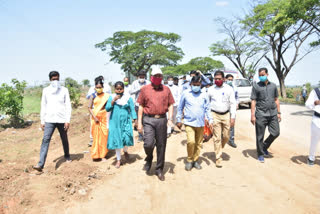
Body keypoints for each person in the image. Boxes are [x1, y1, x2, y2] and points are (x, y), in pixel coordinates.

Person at [137, 67, 175, 181]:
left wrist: (170, 119)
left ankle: (159, 169)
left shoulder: (166, 89)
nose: (158, 78)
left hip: (162, 120)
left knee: (161, 145)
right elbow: (141, 106)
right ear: (151, 77)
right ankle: (149, 158)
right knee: (148, 143)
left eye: (160, 76)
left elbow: (171, 105)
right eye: (156, 76)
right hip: (148, 119)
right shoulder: (144, 89)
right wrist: (139, 122)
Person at [33, 71, 72, 172]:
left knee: (64, 138)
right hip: (49, 119)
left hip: (61, 119)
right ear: (50, 80)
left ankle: (67, 155)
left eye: (57, 79)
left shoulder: (64, 90)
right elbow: (43, 105)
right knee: (45, 139)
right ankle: (40, 164)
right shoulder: (46, 90)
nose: (56, 81)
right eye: (54, 79)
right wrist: (42, 120)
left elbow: (68, 105)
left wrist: (67, 120)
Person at [177, 75, 212, 171]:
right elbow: (180, 107)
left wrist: (210, 119)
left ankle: (195, 160)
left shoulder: (204, 94)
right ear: (191, 84)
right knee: (191, 141)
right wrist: (179, 119)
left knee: (198, 143)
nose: (196, 86)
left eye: (198, 84)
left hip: (200, 123)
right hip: (189, 122)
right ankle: (189, 159)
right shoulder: (185, 93)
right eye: (194, 84)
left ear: (201, 85)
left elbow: (208, 108)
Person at [250, 68, 281, 163]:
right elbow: (253, 100)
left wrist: (279, 113)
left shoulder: (273, 86)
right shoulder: (256, 86)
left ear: (267, 74)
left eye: (263, 74)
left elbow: (276, 99)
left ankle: (264, 146)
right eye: (260, 75)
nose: (261, 76)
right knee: (260, 136)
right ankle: (260, 154)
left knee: (276, 132)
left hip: (272, 114)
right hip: (261, 114)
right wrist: (252, 115)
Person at [207, 70, 236, 168]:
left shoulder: (229, 89)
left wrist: (233, 117)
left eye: (219, 79)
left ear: (223, 79)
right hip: (214, 114)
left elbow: (232, 103)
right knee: (217, 137)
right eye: (215, 79)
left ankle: (219, 148)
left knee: (226, 136)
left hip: (226, 114)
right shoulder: (210, 89)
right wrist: (208, 117)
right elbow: (207, 104)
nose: (217, 80)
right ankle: (218, 158)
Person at [106, 82, 137, 168]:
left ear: (123, 89)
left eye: (121, 89)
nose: (119, 90)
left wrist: (135, 119)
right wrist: (113, 100)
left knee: (126, 137)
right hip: (115, 122)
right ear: (114, 89)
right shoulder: (111, 97)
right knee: (117, 139)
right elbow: (107, 108)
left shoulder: (128, 97)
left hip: (126, 121)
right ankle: (119, 160)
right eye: (117, 89)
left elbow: (132, 109)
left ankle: (125, 151)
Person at [88, 78, 110, 161]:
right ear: (95, 88)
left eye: (100, 87)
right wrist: (95, 117)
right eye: (97, 87)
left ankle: (103, 155)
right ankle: (96, 154)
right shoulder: (92, 96)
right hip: (96, 118)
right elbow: (89, 108)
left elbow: (109, 107)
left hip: (104, 117)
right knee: (96, 137)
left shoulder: (107, 96)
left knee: (104, 136)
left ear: (103, 87)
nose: (98, 88)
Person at [130, 70, 150, 142]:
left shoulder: (148, 83)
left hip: (147, 105)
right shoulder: (134, 83)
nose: (142, 78)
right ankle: (141, 135)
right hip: (138, 105)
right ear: (138, 77)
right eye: (140, 77)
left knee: (147, 120)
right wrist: (139, 88)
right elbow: (131, 92)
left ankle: (147, 135)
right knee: (139, 120)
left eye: (143, 77)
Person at [305, 87, 320, 165]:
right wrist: (314, 103)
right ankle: (311, 158)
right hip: (317, 120)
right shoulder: (316, 91)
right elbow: (307, 104)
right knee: (314, 141)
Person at [225, 74, 239, 148]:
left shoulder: (235, 88)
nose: (230, 81)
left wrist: (237, 104)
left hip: (232, 108)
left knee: (232, 123)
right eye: (229, 79)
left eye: (231, 80)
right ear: (225, 79)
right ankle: (222, 138)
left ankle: (231, 140)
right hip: (224, 108)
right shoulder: (223, 87)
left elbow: (237, 97)